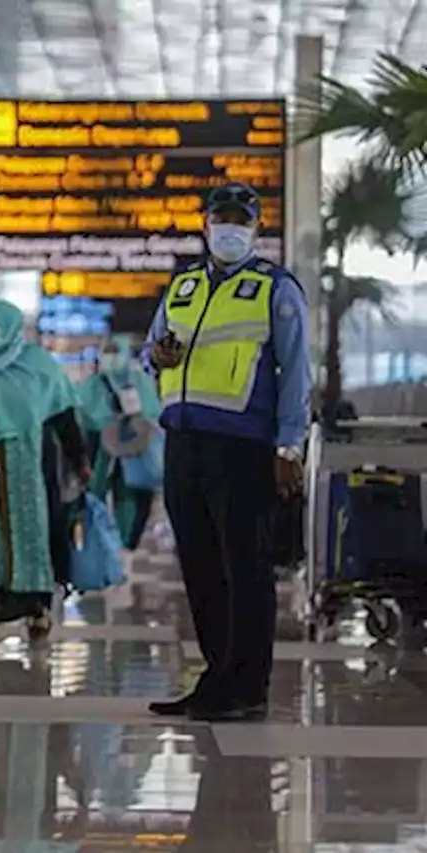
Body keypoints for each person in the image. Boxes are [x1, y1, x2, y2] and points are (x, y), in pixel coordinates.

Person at [144, 182, 310, 723]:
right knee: (200, 565)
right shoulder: (184, 285)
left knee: (246, 567)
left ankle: (247, 686)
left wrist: (289, 445)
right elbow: (153, 350)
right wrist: (159, 354)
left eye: (241, 219)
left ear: (257, 229)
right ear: (205, 224)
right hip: (184, 442)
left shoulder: (275, 288)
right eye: (222, 218)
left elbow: (296, 374)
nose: (230, 227)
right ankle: (216, 677)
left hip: (243, 447)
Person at [0, 298, 89, 640]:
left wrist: (79, 459)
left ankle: (35, 606)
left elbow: (63, 415)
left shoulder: (37, 365)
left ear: (8, 324)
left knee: (30, 532)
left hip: (28, 465)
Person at [76, 334, 162, 550]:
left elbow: (152, 410)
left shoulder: (139, 381)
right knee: (96, 489)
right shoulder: (94, 383)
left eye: (115, 352)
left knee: (131, 491)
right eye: (107, 352)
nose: (111, 358)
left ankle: (128, 538)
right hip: (99, 444)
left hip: (134, 444)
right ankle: (100, 537)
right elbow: (82, 410)